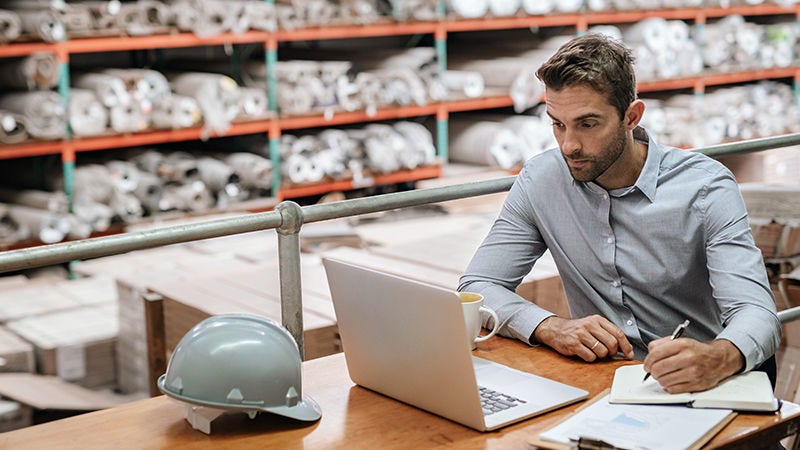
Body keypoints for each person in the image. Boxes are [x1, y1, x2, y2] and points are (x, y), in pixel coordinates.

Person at [458, 33, 780, 394]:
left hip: (700, 385)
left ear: (632, 116)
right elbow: (477, 286)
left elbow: (757, 312)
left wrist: (719, 356)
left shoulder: (706, 188)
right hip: (599, 383)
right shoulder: (540, 180)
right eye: (557, 123)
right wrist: (550, 326)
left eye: (588, 124)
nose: (569, 145)